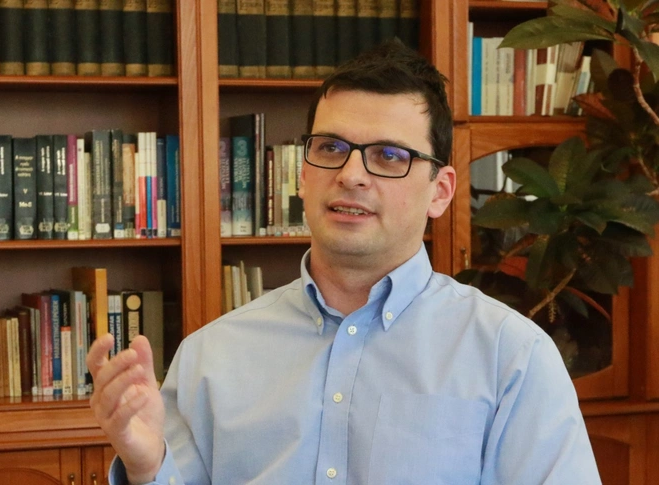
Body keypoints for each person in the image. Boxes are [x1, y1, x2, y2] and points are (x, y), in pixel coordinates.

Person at [87, 38, 601, 485]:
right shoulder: (210, 356)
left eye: (389, 156)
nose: (351, 174)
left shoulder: (511, 358)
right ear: (302, 175)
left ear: (441, 191)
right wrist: (147, 468)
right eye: (331, 147)